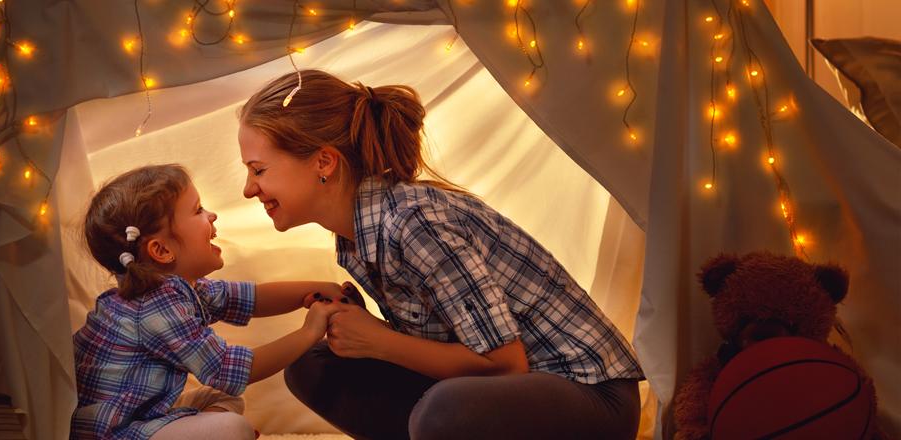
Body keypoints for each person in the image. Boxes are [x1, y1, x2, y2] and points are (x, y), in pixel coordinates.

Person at [237, 70, 646, 439]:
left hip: (588, 398)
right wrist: (360, 329)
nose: (248, 190)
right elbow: (446, 340)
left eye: (258, 170)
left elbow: (505, 364)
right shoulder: (355, 238)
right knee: (313, 366)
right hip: (500, 397)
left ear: (323, 162)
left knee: (444, 412)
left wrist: (378, 341)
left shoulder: (415, 223)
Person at [71, 164, 353, 440]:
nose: (212, 215)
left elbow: (253, 299)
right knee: (232, 428)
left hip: (142, 416)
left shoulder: (177, 290)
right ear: (161, 250)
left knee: (222, 399)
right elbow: (227, 369)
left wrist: (318, 288)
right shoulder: (154, 307)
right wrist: (309, 332)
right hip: (116, 432)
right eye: (198, 210)